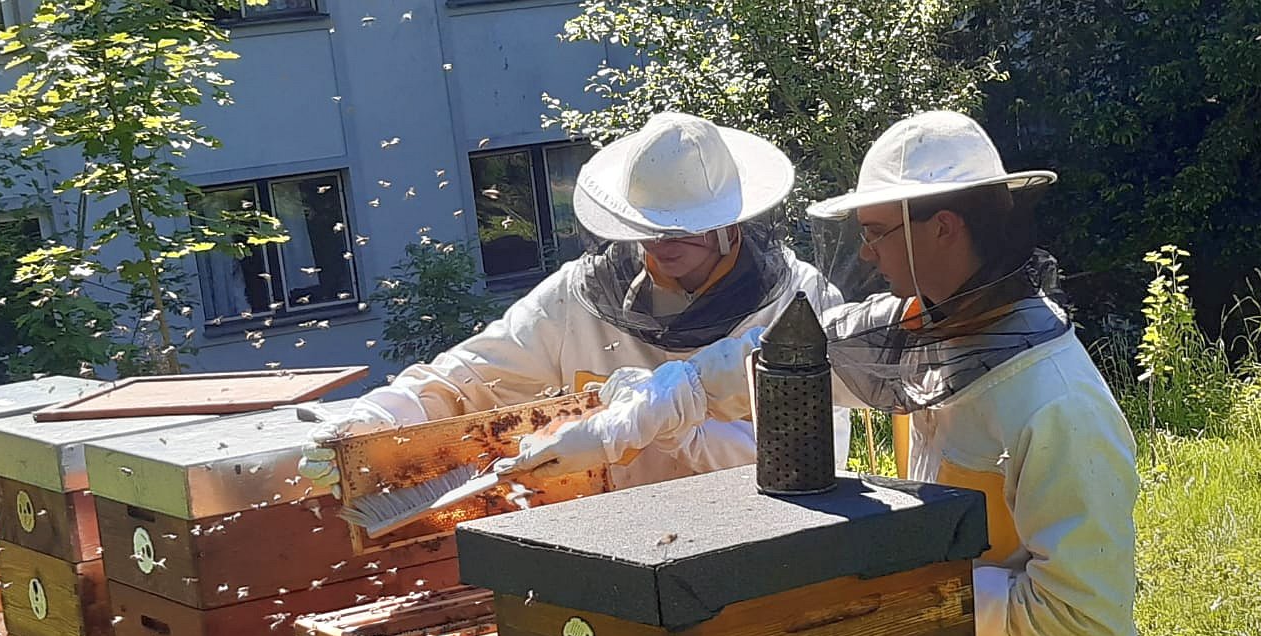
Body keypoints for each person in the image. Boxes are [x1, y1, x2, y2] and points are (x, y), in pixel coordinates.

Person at [508, 110, 1139, 636]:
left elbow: (1084, 614)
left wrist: (911, 583)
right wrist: (625, 422)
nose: (865, 254)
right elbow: (782, 349)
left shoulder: (1054, 401)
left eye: (876, 233)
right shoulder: (929, 328)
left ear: (942, 228)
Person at [297, 111, 848, 498]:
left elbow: (826, 447)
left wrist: (676, 428)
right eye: (651, 224)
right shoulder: (574, 299)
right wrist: (375, 422)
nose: (663, 241)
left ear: (733, 220)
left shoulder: (800, 304)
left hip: (757, 541)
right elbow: (466, 380)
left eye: (686, 226)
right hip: (610, 541)